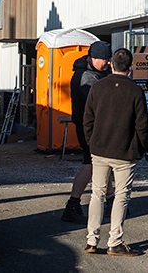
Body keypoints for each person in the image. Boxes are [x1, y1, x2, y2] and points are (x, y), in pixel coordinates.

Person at [82, 47, 148, 257]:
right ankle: (115, 242)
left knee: (97, 194)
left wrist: (92, 142)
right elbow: (142, 126)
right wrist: (138, 148)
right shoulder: (136, 91)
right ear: (130, 68)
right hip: (125, 153)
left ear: (111, 64)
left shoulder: (97, 87)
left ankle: (91, 240)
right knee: (121, 196)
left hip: (99, 149)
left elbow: (88, 120)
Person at [61, 41, 114, 224]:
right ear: (93, 58)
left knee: (101, 163)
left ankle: (110, 200)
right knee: (91, 162)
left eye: (109, 60)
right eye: (105, 60)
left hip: (95, 125)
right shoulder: (85, 77)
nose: (108, 63)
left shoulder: (98, 73)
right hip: (88, 126)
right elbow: (99, 101)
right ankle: (73, 204)